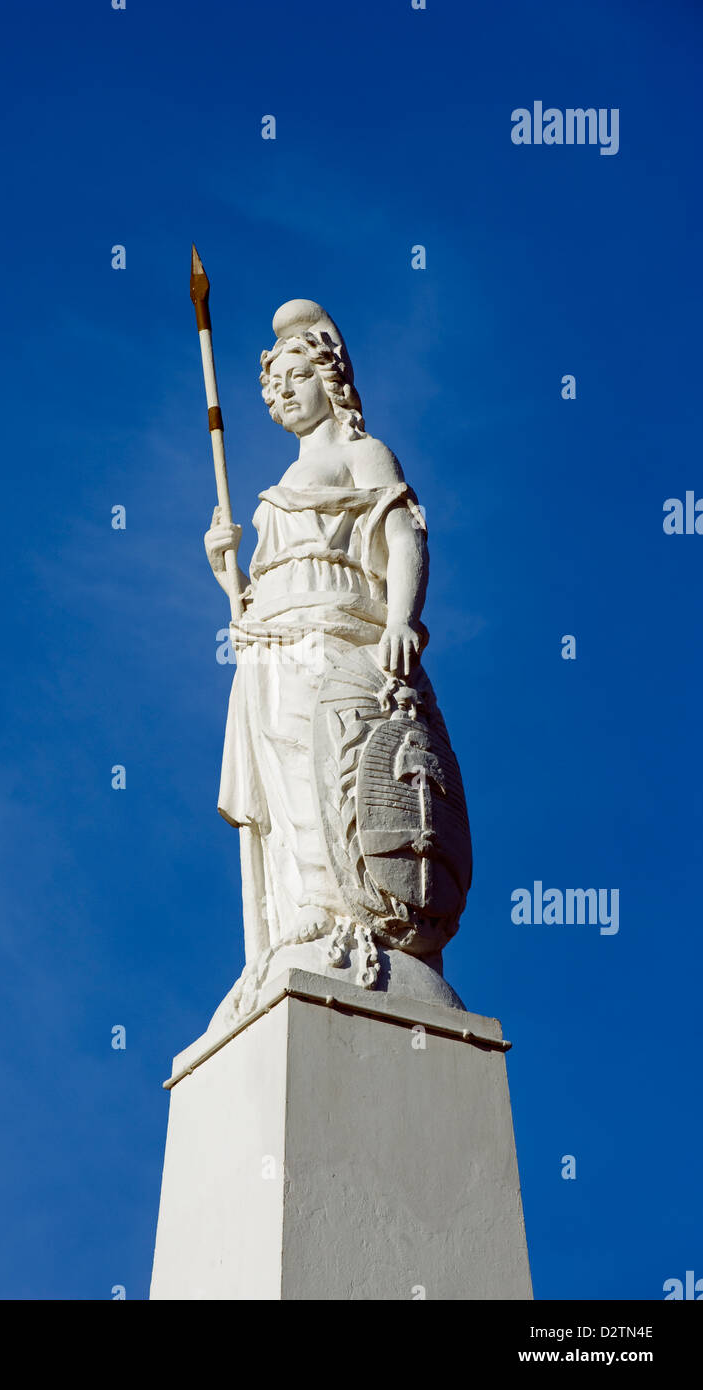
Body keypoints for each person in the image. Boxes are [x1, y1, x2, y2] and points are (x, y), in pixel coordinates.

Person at [204, 300, 431, 988]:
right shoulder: (284, 482)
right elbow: (256, 596)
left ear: (327, 377)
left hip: (333, 631)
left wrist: (401, 619)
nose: (280, 395)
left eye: (293, 377)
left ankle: (341, 906)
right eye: (272, 387)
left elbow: (404, 535)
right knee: (280, 773)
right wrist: (228, 575)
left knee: (321, 759)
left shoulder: (360, 453)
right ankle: (304, 903)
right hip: (270, 639)